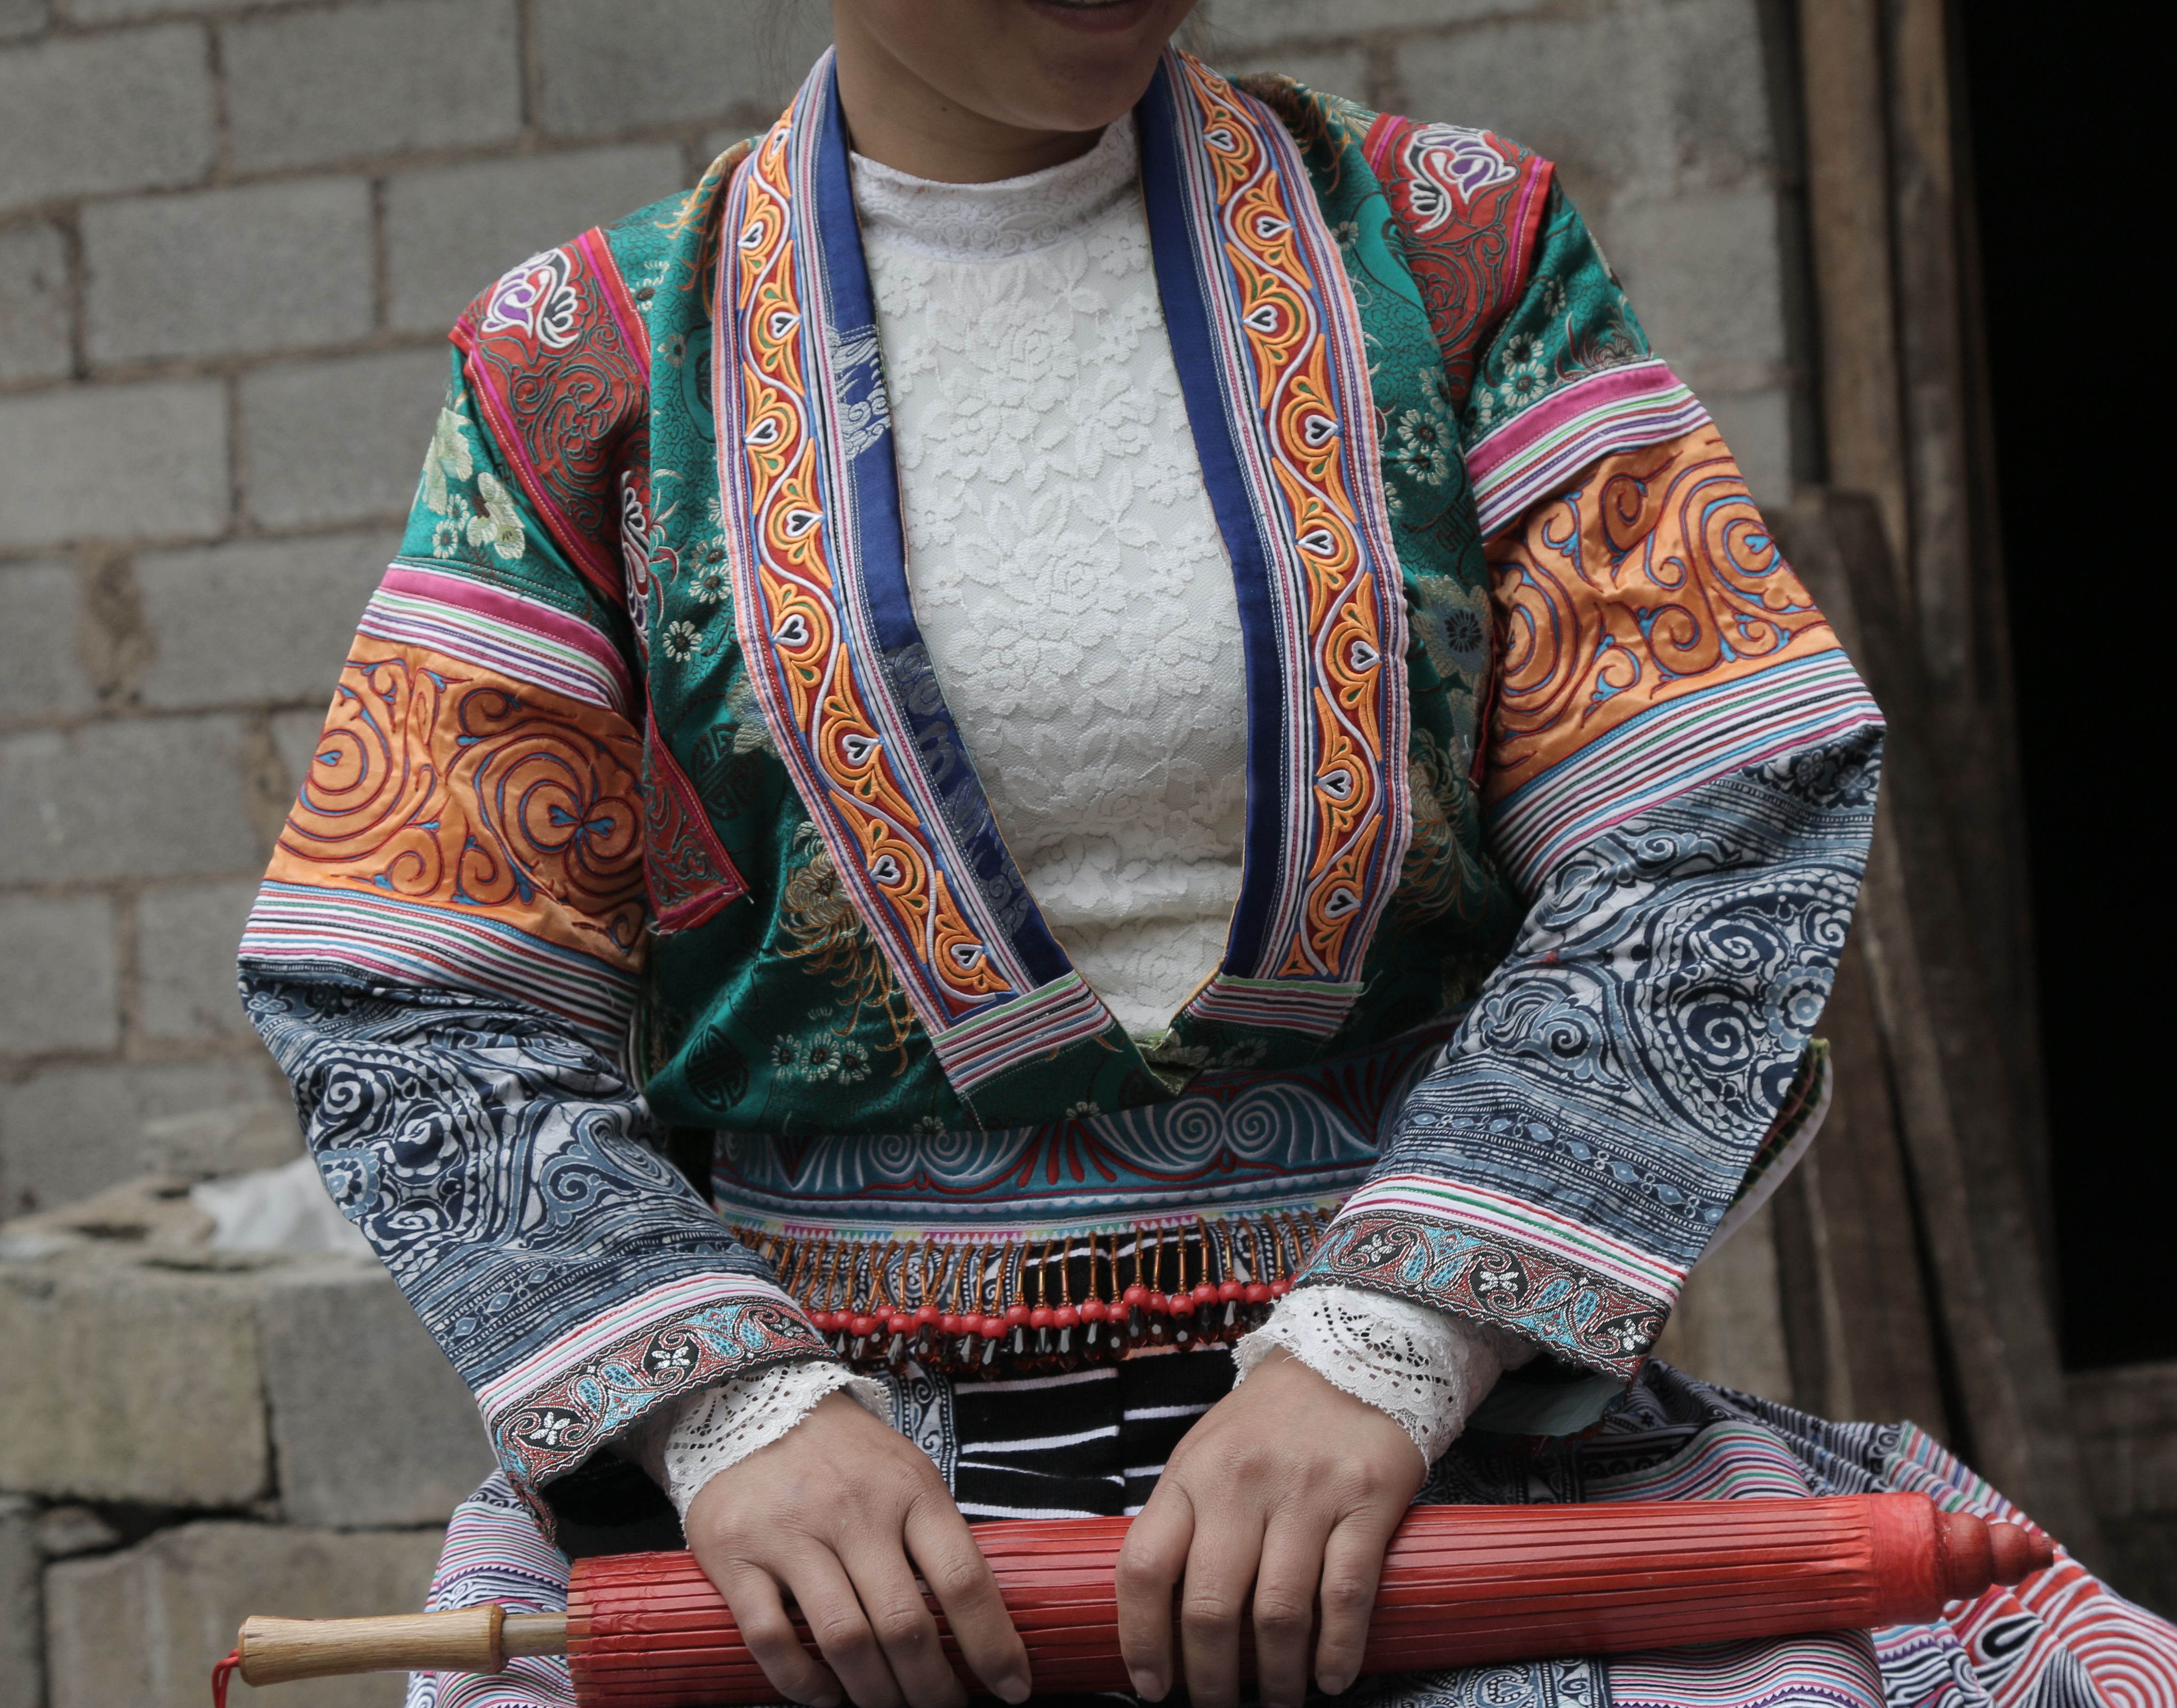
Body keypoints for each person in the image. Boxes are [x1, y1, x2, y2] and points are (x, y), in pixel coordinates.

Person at [239, 4, 2177, 1707]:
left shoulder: (1460, 256)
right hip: (834, 1545)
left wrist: (1382, 1350)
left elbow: (1711, 820)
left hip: (1437, 1475)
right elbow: (411, 985)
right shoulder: (583, 367)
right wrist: (732, 1414)